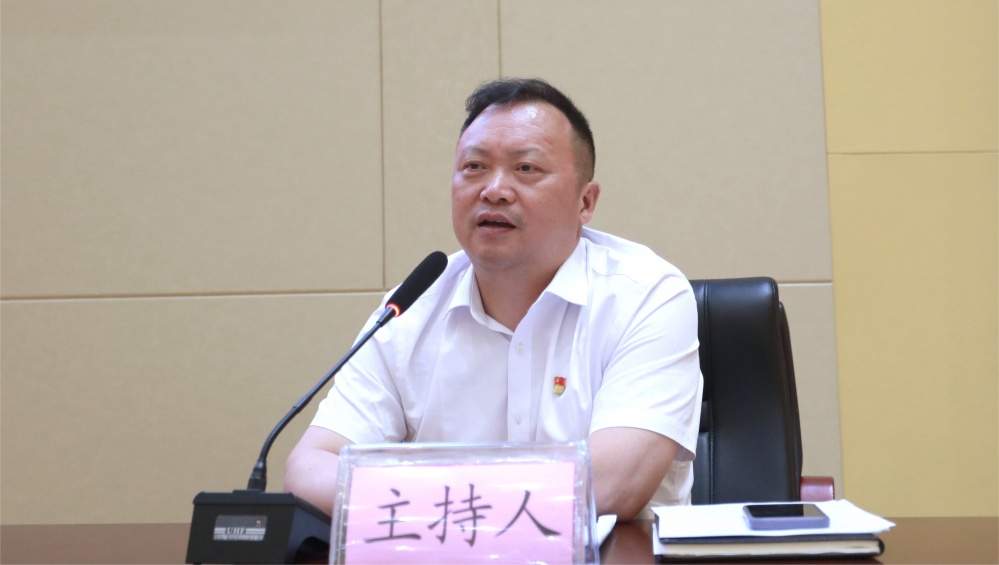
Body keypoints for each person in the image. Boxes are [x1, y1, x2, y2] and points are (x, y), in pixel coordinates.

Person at [284, 78, 702, 520]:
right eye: (474, 167)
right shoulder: (409, 309)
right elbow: (308, 469)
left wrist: (426, 502)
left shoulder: (646, 296)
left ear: (585, 202)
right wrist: (457, 509)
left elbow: (612, 486)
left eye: (526, 168)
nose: (494, 190)